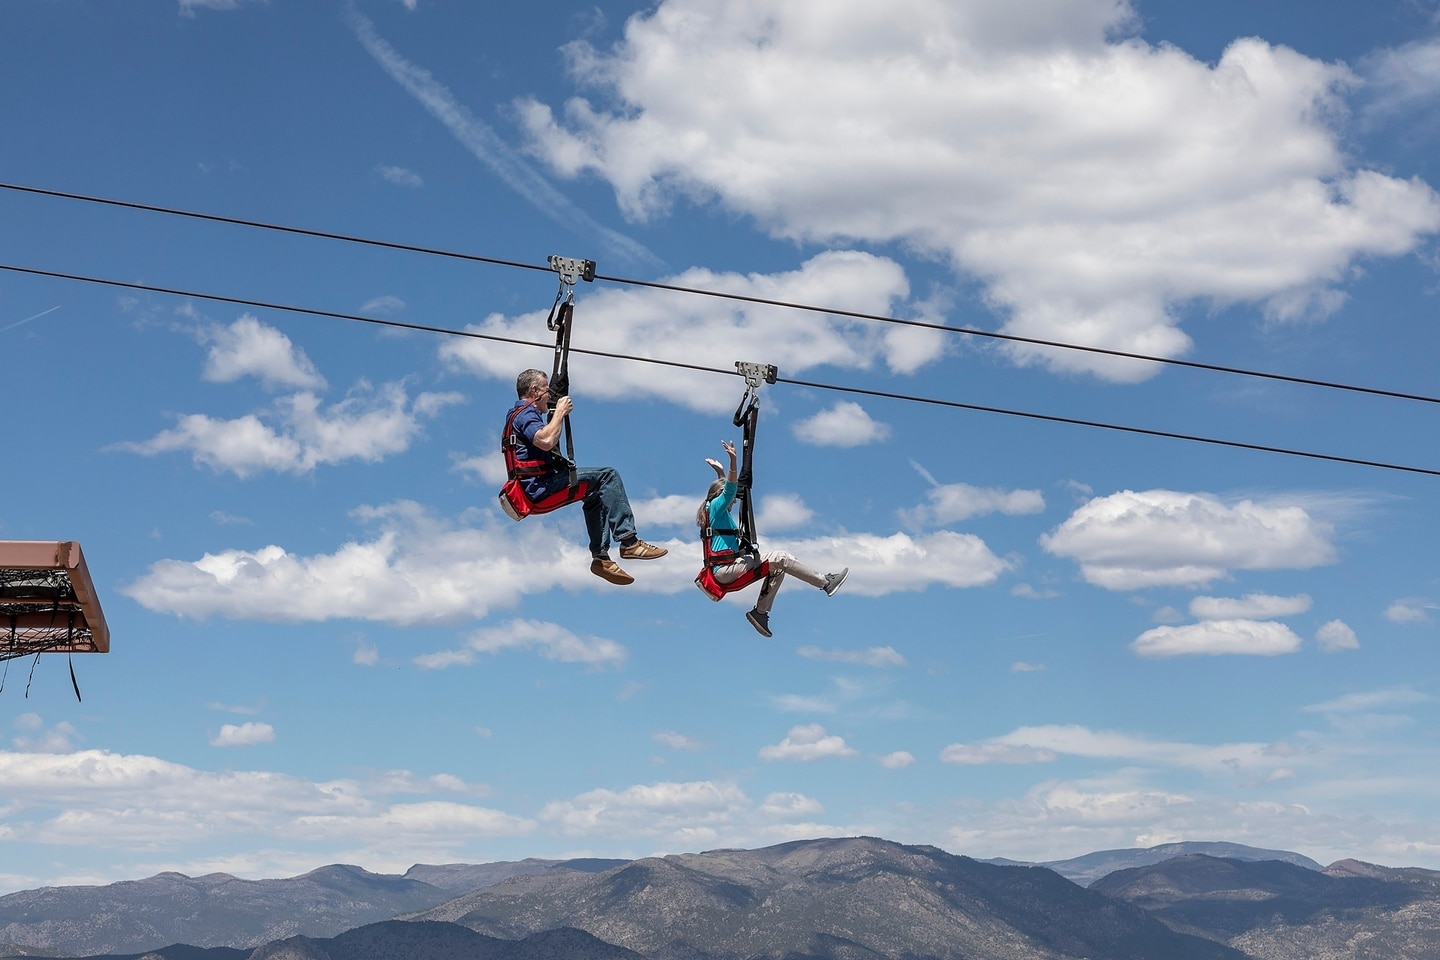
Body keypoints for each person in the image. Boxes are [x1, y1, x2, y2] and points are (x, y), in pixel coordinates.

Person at [505, 368, 667, 584]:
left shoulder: (518, 415)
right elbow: (544, 440)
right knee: (608, 476)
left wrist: (556, 412)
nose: (550, 396)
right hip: (539, 490)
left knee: (595, 493)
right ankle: (629, 542)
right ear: (535, 391)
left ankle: (601, 559)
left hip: (535, 490)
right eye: (546, 390)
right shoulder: (526, 413)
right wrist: (561, 411)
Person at [698, 439, 847, 636]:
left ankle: (760, 613)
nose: (734, 500)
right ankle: (825, 583)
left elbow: (725, 489)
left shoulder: (714, 511)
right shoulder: (717, 508)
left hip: (727, 568)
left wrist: (720, 473)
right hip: (725, 570)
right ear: (720, 495)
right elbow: (729, 489)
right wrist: (733, 461)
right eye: (731, 498)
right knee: (781, 557)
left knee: (777, 569)